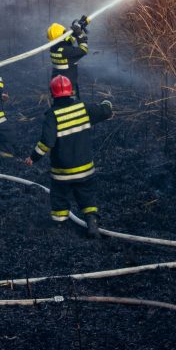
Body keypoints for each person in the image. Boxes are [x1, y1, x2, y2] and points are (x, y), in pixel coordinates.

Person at [25, 74, 113, 238]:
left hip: (62, 172)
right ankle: (92, 222)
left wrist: (33, 157)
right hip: (85, 169)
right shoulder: (83, 108)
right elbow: (106, 111)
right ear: (71, 91)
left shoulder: (53, 116)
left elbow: (46, 142)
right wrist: (107, 102)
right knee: (86, 195)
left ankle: (59, 227)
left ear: (52, 94)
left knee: (59, 196)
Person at [47, 14, 89, 92]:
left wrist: (79, 26)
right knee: (73, 103)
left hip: (57, 86)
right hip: (67, 87)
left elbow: (69, 41)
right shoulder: (65, 51)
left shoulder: (54, 48)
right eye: (64, 32)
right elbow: (84, 49)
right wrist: (80, 35)